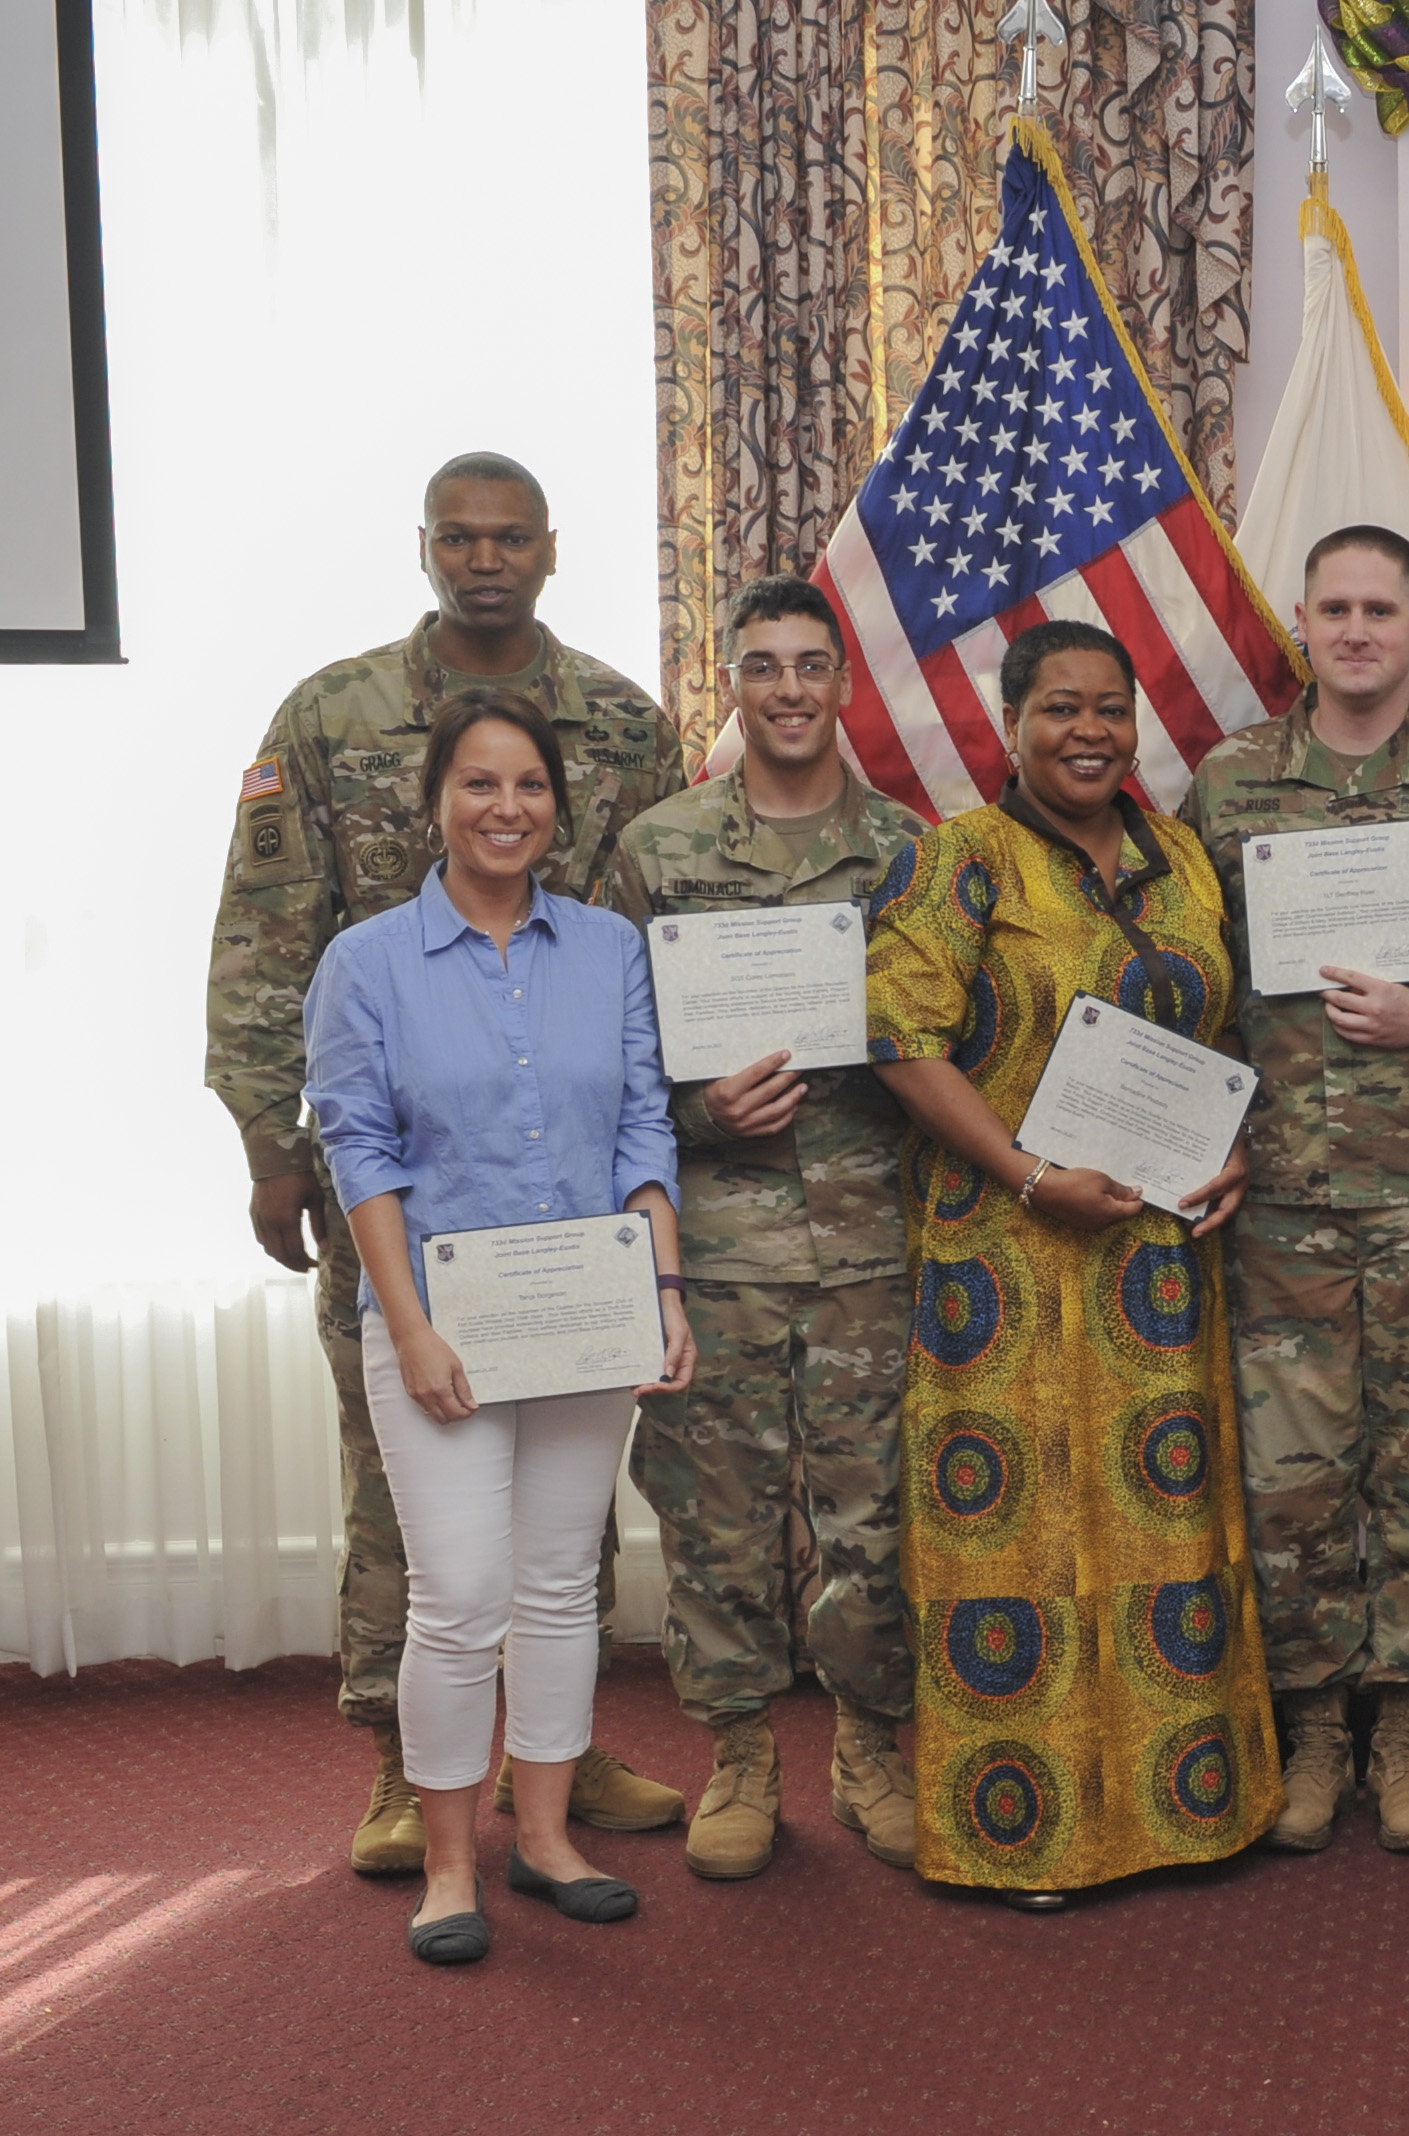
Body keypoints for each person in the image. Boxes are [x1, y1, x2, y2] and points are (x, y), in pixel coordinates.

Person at [206, 452, 686, 1872]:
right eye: (460, 538)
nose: (486, 558)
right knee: (406, 1491)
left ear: (550, 550)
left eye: (511, 538)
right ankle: (401, 1774)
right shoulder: (330, 712)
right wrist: (264, 1136)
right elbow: (266, 924)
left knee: (558, 1515)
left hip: (572, 1170)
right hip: (407, 1173)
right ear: (425, 548)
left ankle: (562, 1754)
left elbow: (650, 929)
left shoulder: (621, 720)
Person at [866, 618, 1280, 1908]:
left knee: (1162, 1526)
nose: (1090, 731)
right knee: (1020, 1542)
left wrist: (1232, 1151)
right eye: (1061, 709)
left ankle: (1184, 1814)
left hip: (1155, 1269)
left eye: (1111, 708)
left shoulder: (1182, 862)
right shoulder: (958, 859)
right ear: (1012, 724)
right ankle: (1022, 1837)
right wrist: (1028, 1174)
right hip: (1005, 1264)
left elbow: (1226, 1032)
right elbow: (896, 1035)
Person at [303, 688, 699, 1966]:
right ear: (435, 803)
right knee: (460, 1596)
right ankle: (451, 1862)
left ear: (556, 807)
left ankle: (547, 1842)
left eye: (528, 787)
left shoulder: (606, 951)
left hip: (586, 1316)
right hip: (441, 1323)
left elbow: (646, 1121)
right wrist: (409, 1330)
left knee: (556, 1590)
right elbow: (357, 1157)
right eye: (478, 785)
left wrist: (664, 1292)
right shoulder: (364, 962)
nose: (505, 809)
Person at [1178, 526, 1409, 1855]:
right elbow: (1188, 986)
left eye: (1380, 608)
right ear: (1303, 622)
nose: (1356, 630)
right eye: (1333, 608)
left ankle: (1403, 1733)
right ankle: (1314, 1730)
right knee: (1292, 1485)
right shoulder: (1227, 786)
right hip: (1277, 1200)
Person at [607, 576, 928, 1880]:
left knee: (877, 1516)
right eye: (763, 666)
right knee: (716, 1514)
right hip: (719, 1250)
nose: (789, 689)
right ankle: (740, 1756)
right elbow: (611, 1059)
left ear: (844, 681)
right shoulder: (657, 851)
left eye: (811, 665)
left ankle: (867, 1748)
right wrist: (698, 1112)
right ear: (728, 683)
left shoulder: (912, 851)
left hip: (872, 1249)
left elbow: (953, 1036)